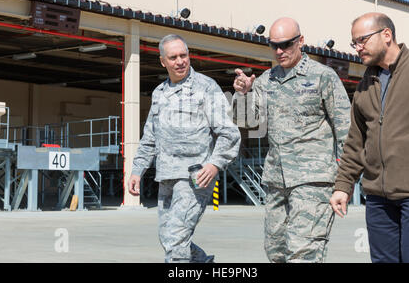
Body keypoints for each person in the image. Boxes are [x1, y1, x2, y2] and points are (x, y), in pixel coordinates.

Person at [233, 17, 351, 262]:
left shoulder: (323, 77)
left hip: (313, 180)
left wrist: (345, 181)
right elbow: (246, 121)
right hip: (277, 180)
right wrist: (243, 94)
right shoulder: (267, 80)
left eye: (286, 44)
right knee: (275, 251)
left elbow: (345, 129)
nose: (279, 51)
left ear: (301, 41)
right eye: (273, 45)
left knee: (303, 252)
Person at [330, 12, 409, 263]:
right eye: (354, 42)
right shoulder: (365, 85)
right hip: (378, 197)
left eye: (362, 40)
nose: (358, 48)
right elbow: (356, 142)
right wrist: (343, 186)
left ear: (387, 35)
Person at [128, 34, 241, 263]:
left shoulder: (206, 87)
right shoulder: (160, 93)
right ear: (163, 62)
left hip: (195, 176)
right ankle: (201, 261)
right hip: (166, 176)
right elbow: (150, 136)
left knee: (176, 238)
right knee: (167, 236)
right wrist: (137, 170)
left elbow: (229, 133)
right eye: (173, 57)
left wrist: (214, 163)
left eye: (184, 55)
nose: (180, 61)